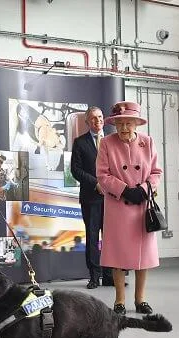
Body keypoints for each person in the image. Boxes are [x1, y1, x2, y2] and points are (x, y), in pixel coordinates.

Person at [96, 101, 162, 315]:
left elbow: (156, 172)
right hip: (118, 206)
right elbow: (102, 175)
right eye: (119, 123)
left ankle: (140, 300)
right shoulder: (106, 143)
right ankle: (120, 301)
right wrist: (124, 190)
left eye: (128, 123)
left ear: (136, 124)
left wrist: (144, 189)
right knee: (118, 257)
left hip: (141, 206)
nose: (124, 128)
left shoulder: (148, 142)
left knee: (142, 258)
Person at [70, 106, 114, 288]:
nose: (98, 121)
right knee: (93, 237)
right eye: (93, 118)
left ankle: (110, 276)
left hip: (111, 198)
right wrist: (96, 183)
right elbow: (76, 170)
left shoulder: (112, 141)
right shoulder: (80, 142)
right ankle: (94, 277)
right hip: (90, 197)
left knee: (111, 238)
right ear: (87, 122)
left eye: (100, 117)